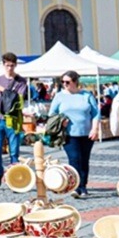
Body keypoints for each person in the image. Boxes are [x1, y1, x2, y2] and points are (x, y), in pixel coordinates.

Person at [49, 71, 100, 200]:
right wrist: (61, 120)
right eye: (63, 82)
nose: (65, 84)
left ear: (75, 82)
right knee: (74, 158)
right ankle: (75, 187)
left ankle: (83, 185)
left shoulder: (86, 95)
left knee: (84, 160)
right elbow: (52, 114)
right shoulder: (59, 96)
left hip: (86, 134)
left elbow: (95, 113)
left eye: (68, 82)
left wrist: (94, 129)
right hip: (68, 134)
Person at [0, 52, 27, 187]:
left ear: (15, 65)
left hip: (14, 119)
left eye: (12, 65)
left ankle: (14, 179)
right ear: (3, 65)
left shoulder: (21, 81)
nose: (9, 68)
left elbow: (19, 98)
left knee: (14, 152)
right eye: (7, 65)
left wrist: (3, 90)